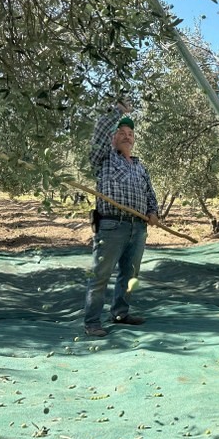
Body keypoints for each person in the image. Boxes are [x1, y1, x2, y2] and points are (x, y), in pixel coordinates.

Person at [83, 99, 159, 338]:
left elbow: (150, 194)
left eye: (130, 133)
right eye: (121, 133)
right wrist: (118, 112)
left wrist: (153, 212)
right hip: (111, 224)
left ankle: (120, 313)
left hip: (137, 229)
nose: (127, 136)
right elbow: (100, 131)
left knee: (130, 274)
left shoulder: (139, 167)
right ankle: (92, 322)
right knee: (101, 275)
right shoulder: (104, 159)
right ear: (113, 138)